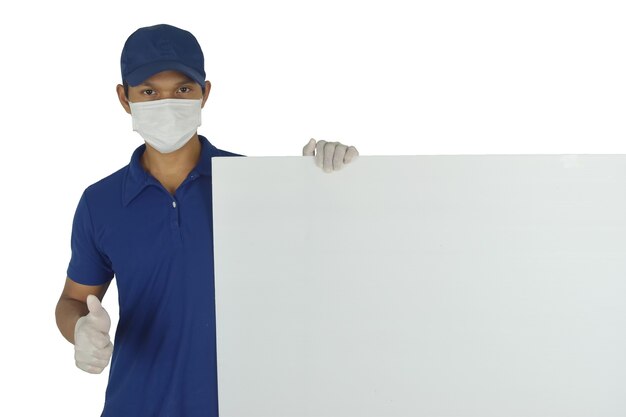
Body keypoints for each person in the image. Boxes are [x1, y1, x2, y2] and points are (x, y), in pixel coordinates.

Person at [54, 23, 359, 416]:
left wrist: (330, 186)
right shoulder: (101, 203)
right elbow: (73, 299)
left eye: (182, 89)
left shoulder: (256, 187)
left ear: (205, 94)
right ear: (124, 98)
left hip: (241, 404)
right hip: (136, 406)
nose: (166, 101)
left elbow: (320, 278)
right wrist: (78, 330)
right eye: (149, 91)